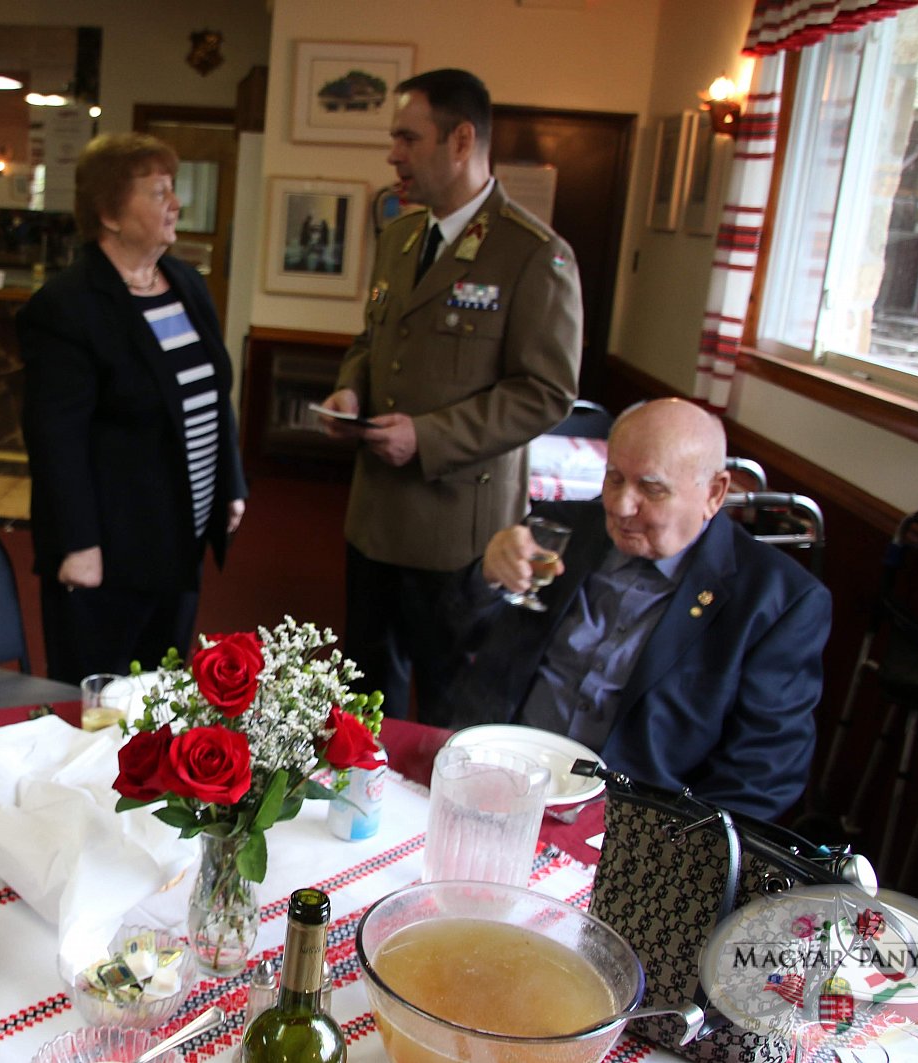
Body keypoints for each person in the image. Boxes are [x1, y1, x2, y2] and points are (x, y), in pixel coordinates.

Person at [317, 68, 582, 720]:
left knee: (445, 719)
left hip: (456, 538)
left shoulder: (533, 254)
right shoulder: (402, 237)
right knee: (359, 707)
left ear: (462, 140)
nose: (393, 154)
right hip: (373, 519)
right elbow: (369, 342)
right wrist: (350, 391)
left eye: (408, 137)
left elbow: (546, 391)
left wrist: (427, 437)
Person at [444, 399, 833, 820]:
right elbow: (448, 634)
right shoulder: (562, 531)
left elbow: (762, 778)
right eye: (614, 478)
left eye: (651, 489)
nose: (621, 505)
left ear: (714, 493)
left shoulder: (776, 602)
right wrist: (487, 576)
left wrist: (662, 851)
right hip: (492, 777)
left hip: (630, 826)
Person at [17, 133, 248, 684]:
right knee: (96, 703)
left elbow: (213, 392)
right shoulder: (66, 306)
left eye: (173, 189)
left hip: (178, 540)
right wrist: (77, 544)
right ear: (110, 214)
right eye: (159, 191)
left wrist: (230, 482)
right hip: (108, 554)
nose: (176, 203)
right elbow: (56, 438)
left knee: (162, 695)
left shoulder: (186, 284)